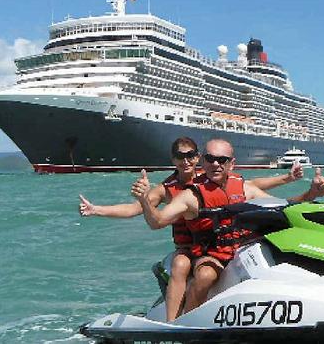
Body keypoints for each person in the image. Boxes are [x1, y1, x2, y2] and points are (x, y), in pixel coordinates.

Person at [79, 137, 304, 321]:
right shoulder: (169, 189)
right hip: (190, 245)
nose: (185, 161)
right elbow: (136, 209)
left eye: (190, 156)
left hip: (219, 243)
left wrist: (287, 178)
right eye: (179, 156)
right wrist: (97, 209)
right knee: (180, 263)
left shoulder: (210, 176)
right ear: (173, 159)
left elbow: (250, 186)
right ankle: (173, 322)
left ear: (198, 158)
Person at [132, 138, 324, 314]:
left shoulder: (244, 188)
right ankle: (187, 322)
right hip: (210, 253)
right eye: (210, 159)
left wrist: (312, 194)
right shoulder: (191, 195)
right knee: (205, 275)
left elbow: (281, 206)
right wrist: (144, 201)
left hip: (244, 249)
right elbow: (157, 222)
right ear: (203, 162)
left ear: (231, 164)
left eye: (222, 160)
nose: (215, 164)